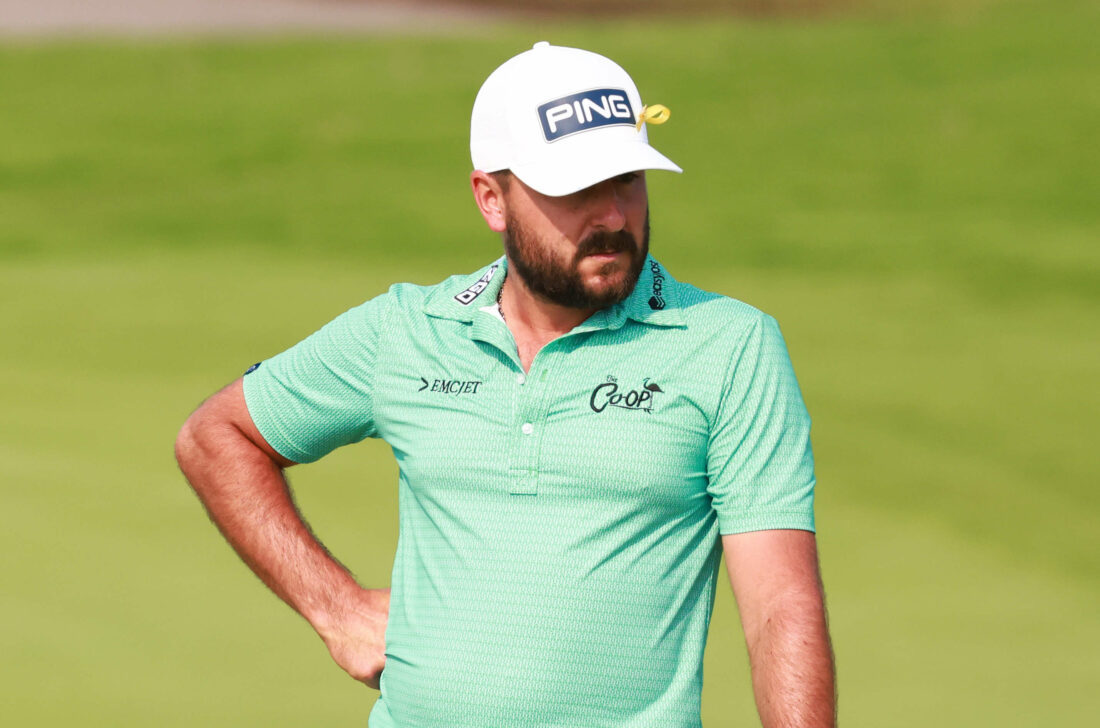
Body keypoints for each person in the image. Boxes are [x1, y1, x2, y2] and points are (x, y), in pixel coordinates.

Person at [175, 41, 836, 728]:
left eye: (627, 180)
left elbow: (779, 610)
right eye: (576, 189)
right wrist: (334, 607)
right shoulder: (406, 330)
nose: (612, 216)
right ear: (491, 198)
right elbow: (216, 436)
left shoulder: (728, 346)